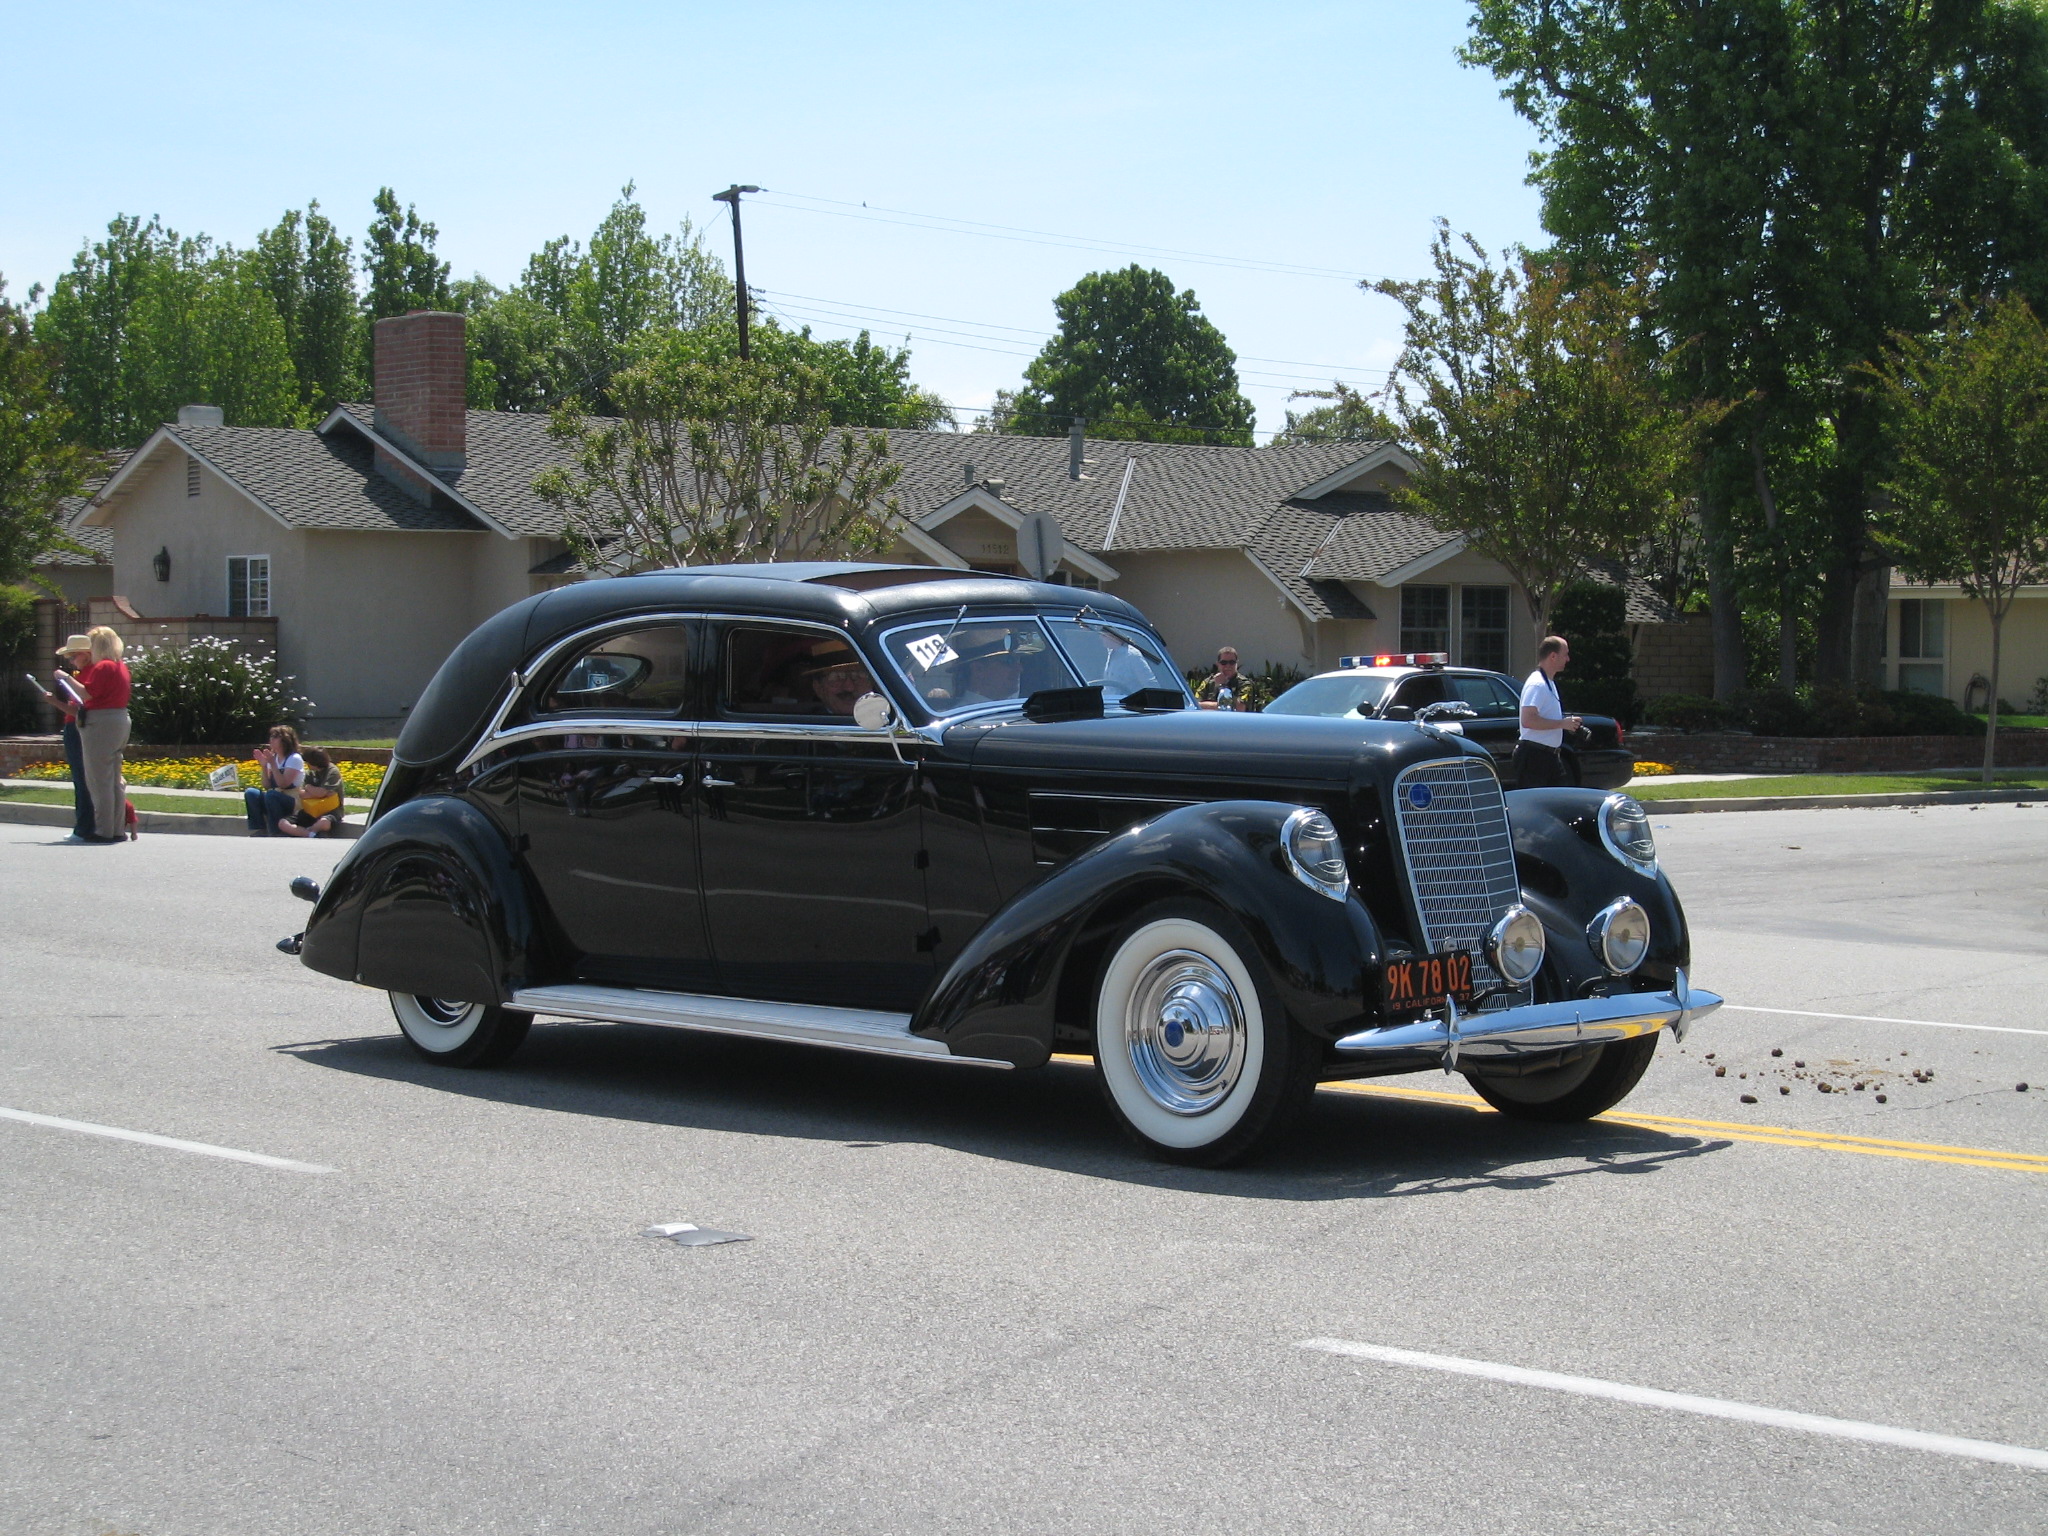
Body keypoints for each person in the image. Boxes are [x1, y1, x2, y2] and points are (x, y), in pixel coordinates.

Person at [73, 626, 132, 844]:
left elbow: (86, 693)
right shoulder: (120, 666)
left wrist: (65, 679)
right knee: (114, 779)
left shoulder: (102, 667)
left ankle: (103, 830)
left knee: (99, 780)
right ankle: (117, 829)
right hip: (120, 719)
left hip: (101, 722)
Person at [1515, 635, 1583, 789]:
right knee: (1536, 806)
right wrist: (1561, 724)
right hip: (1534, 757)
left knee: (1558, 802)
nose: (1568, 659)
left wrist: (1567, 723)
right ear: (1553, 656)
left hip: (1550, 756)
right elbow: (1528, 720)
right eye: (1565, 654)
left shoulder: (1549, 682)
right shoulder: (1537, 684)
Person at [51, 634, 96, 840]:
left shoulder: (88, 675)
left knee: (82, 778)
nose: (71, 661)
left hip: (79, 729)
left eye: (74, 656)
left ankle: (84, 827)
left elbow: (83, 707)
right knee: (82, 778)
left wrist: (66, 679)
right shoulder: (83, 674)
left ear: (86, 655)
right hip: (74, 726)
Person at [244, 725, 305, 835]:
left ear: (285, 740)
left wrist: (272, 764)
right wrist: (264, 765)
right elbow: (267, 785)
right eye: (271, 736)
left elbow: (284, 784)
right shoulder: (274, 757)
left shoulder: (294, 758)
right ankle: (260, 829)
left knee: (272, 795)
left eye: (276, 736)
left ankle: (276, 831)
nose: (271, 739)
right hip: (274, 796)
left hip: (291, 800)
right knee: (251, 793)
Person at [277, 748, 345, 838]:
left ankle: (306, 832)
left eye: (307, 762)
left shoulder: (332, 772)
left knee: (324, 823)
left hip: (331, 811)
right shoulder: (310, 773)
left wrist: (312, 790)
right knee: (283, 823)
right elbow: (302, 794)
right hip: (310, 810)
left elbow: (322, 792)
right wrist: (313, 790)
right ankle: (311, 834)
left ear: (314, 762)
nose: (306, 764)